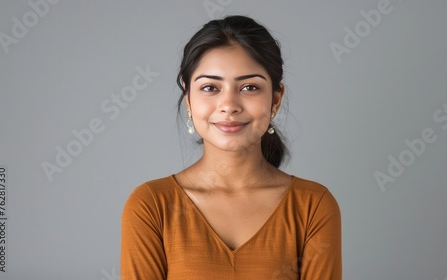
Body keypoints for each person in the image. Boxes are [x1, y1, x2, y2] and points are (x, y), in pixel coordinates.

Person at [121, 15, 341, 279]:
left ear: (275, 100)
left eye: (249, 87)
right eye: (210, 87)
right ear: (188, 99)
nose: (229, 105)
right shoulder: (151, 206)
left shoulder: (313, 207)